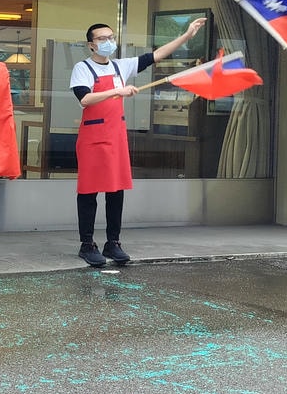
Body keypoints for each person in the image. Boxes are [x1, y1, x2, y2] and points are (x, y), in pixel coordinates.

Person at [71, 17, 206, 267]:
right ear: (90, 45)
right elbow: (84, 98)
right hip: (92, 137)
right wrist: (116, 91)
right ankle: (87, 244)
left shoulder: (121, 66)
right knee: (89, 191)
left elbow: (156, 56)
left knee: (116, 189)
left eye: (111, 37)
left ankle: (113, 242)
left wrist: (187, 36)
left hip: (116, 136)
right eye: (102, 39)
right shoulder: (83, 68)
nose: (108, 42)